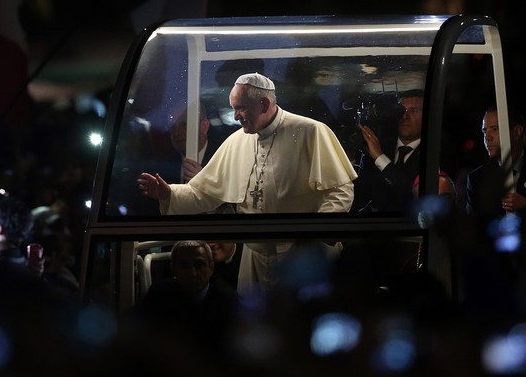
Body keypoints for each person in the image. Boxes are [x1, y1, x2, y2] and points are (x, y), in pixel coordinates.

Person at [137, 72, 357, 294]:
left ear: (263, 104)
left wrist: (313, 236)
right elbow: (205, 194)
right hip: (255, 258)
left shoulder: (310, 131)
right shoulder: (236, 142)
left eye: (240, 108)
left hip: (303, 257)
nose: (235, 117)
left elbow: (340, 191)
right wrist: (169, 194)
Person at [134, 240, 238, 360]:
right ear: (173, 269)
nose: (192, 273)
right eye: (184, 266)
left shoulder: (228, 301)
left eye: (199, 265)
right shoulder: (158, 294)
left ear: (211, 268)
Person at [352, 91, 425, 212]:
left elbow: (414, 193)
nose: (405, 116)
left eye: (414, 111)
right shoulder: (380, 144)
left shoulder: (436, 151)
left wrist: (380, 158)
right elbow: (361, 192)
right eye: (401, 110)